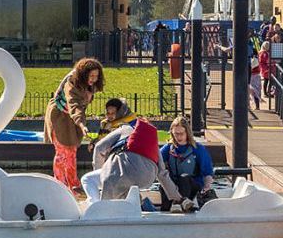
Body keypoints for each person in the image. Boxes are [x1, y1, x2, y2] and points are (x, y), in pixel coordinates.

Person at [80, 98, 182, 204]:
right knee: (125, 188)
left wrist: (101, 172)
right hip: (146, 179)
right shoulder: (151, 140)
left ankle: (95, 205)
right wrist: (177, 197)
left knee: (87, 179)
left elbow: (99, 147)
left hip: (119, 174)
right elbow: (162, 173)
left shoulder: (125, 129)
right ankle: (138, 204)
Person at [46, 58, 105, 195]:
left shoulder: (90, 85)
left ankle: (73, 186)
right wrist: (81, 124)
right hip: (60, 117)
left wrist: (80, 123)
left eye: (96, 76)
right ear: (83, 74)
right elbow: (74, 106)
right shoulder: (71, 83)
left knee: (71, 151)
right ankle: (61, 186)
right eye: (91, 76)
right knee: (63, 152)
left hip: (72, 119)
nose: (93, 79)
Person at [158, 116, 217, 212]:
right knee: (166, 180)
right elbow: (156, 160)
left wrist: (206, 188)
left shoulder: (198, 149)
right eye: (176, 134)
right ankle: (166, 210)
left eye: (182, 133)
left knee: (184, 178)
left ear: (187, 133)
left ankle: (183, 205)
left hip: (192, 185)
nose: (179, 137)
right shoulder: (168, 149)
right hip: (174, 188)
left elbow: (207, 172)